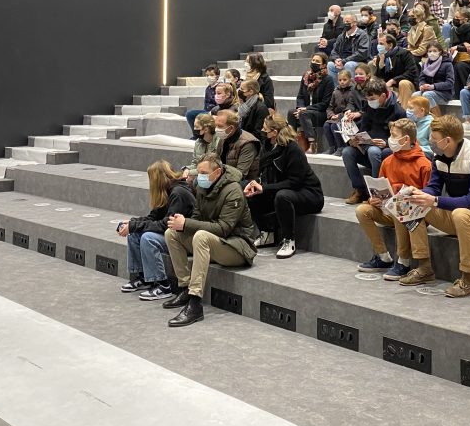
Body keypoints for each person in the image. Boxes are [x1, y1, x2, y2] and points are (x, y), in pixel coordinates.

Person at [400, 116, 470, 298]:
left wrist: (434, 201)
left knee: (461, 214)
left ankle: (469, 280)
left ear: (447, 141)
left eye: (434, 138)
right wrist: (419, 194)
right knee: (414, 203)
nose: (430, 141)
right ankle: (424, 267)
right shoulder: (439, 156)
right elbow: (434, 187)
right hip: (456, 216)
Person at [163, 155, 259, 327]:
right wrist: (182, 223)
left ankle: (195, 303)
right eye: (198, 172)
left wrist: (187, 223)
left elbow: (224, 229)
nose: (200, 176)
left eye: (204, 173)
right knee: (172, 233)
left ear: (217, 172)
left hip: (237, 246)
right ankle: (184, 287)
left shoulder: (233, 191)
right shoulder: (201, 188)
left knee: (200, 236)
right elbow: (197, 217)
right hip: (217, 243)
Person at [354, 119, 433, 279]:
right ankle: (383, 256)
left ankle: (403, 261)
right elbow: (380, 186)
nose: (390, 139)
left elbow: (428, 195)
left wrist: (403, 194)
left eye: (393, 135)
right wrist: (373, 200)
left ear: (406, 140)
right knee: (362, 210)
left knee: (399, 207)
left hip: (415, 215)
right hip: (388, 209)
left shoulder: (424, 164)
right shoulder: (387, 161)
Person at [244, 115, 324, 259]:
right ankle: (267, 233)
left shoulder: (293, 149)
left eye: (265, 129)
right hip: (285, 189)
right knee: (252, 192)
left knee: (283, 196)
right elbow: (263, 173)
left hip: (309, 193)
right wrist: (257, 184)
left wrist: (265, 188)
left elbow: (295, 182)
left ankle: (289, 239)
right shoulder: (268, 146)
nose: (262, 131)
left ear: (274, 132)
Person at [119, 160, 196, 300]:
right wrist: (132, 223)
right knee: (134, 235)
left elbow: (165, 225)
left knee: (148, 238)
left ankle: (163, 285)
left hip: (183, 239)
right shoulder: (167, 191)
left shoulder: (178, 193)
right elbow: (153, 218)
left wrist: (134, 225)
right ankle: (143, 278)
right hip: (171, 234)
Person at [340, 77, 405, 204]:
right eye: (368, 99)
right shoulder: (369, 107)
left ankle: (375, 193)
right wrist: (355, 140)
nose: (370, 102)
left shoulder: (398, 111)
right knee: (347, 152)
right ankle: (359, 190)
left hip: (386, 148)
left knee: (374, 151)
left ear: (382, 96)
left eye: (373, 99)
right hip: (368, 144)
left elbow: (401, 136)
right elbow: (364, 128)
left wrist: (387, 142)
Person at [288, 52, 335, 153]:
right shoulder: (306, 77)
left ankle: (312, 144)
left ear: (323, 65)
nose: (314, 63)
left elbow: (325, 103)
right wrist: (300, 108)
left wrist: (306, 109)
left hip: (321, 113)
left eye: (317, 61)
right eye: (313, 60)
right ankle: (291, 141)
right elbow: (300, 96)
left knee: (305, 114)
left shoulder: (328, 80)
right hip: (305, 111)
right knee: (291, 112)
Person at [371, 32, 419, 106]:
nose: (378, 46)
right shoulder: (380, 56)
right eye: (378, 44)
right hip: (389, 86)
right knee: (372, 81)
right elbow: (379, 77)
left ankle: (404, 113)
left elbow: (411, 72)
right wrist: (381, 65)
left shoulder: (405, 53)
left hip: (406, 85)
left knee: (403, 83)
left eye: (381, 44)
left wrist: (393, 80)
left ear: (390, 45)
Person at [215, 110, 261, 187]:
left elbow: (240, 174)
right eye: (216, 125)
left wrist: (217, 180)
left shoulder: (248, 144)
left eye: (219, 126)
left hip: (245, 182)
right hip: (224, 175)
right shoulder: (224, 137)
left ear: (231, 128)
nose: (216, 129)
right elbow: (216, 160)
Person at [322, 68, 362, 156]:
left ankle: (341, 147)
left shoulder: (353, 91)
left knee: (335, 125)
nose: (342, 82)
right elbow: (330, 107)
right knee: (326, 125)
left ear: (350, 79)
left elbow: (351, 107)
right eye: (340, 80)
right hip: (335, 116)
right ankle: (332, 147)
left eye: (345, 80)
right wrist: (331, 115)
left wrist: (340, 115)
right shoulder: (335, 92)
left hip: (346, 116)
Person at [418, 39, 456, 117]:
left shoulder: (447, 64)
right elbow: (422, 79)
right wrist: (422, 85)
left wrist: (433, 86)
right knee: (415, 95)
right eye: (430, 51)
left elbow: (450, 83)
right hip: (428, 90)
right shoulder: (425, 64)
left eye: (434, 51)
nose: (432, 53)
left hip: (444, 93)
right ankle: (421, 120)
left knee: (427, 95)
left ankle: (438, 120)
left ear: (440, 52)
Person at [328, 13, 371, 82]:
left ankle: (352, 88)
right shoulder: (341, 36)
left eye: (347, 22)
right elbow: (334, 51)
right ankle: (337, 90)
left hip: (359, 62)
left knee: (349, 64)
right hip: (342, 61)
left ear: (355, 23)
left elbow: (362, 53)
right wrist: (336, 60)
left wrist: (344, 61)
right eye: (344, 22)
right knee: (330, 64)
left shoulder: (363, 35)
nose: (345, 24)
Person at [182, 113, 222, 181]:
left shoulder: (219, 142)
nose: (194, 129)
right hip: (201, 173)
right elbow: (195, 163)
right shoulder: (198, 142)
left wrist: (190, 172)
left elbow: (213, 167)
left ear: (206, 129)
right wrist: (187, 169)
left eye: (197, 127)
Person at [448, 7, 470, 91]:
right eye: (454, 17)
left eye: (457, 18)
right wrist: (463, 44)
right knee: (450, 66)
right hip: (456, 58)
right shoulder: (453, 30)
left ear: (465, 20)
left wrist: (458, 47)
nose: (455, 20)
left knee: (460, 66)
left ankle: (467, 90)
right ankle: (455, 93)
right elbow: (451, 47)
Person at [185, 64, 219, 134]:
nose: (209, 77)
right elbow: (206, 102)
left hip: (215, 112)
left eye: (211, 75)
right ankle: (197, 134)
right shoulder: (208, 88)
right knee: (189, 114)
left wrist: (212, 112)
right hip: (206, 110)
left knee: (200, 116)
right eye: (207, 75)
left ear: (217, 76)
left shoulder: (220, 87)